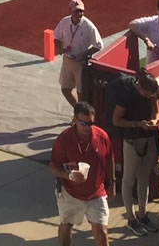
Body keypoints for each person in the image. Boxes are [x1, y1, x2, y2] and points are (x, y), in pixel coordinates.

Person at [49, 102, 115, 246]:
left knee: (101, 232)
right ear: (74, 120)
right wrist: (69, 176)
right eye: (83, 123)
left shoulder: (101, 137)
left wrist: (112, 183)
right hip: (70, 193)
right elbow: (54, 167)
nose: (88, 127)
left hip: (96, 192)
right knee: (66, 226)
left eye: (91, 123)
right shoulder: (64, 140)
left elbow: (110, 159)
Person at [111, 70, 159, 235]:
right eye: (147, 95)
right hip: (132, 141)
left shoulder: (152, 93)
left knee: (144, 178)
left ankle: (142, 213)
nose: (149, 97)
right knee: (129, 179)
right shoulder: (127, 94)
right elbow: (116, 120)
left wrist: (154, 120)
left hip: (148, 139)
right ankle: (131, 218)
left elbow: (157, 112)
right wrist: (137, 124)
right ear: (140, 87)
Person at [54, 0, 102, 106]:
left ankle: (79, 116)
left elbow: (98, 45)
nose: (79, 14)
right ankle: (78, 111)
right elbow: (56, 36)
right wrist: (59, 48)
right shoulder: (64, 22)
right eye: (76, 11)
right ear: (70, 10)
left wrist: (83, 55)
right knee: (65, 89)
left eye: (81, 11)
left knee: (81, 93)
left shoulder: (88, 26)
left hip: (81, 63)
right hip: (67, 60)